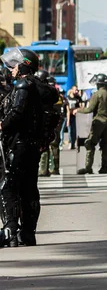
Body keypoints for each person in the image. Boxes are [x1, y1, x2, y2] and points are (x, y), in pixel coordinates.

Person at [0, 48, 58, 247]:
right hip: (32, 146)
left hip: (18, 144)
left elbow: (17, 113)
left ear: (23, 65)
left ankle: (11, 231)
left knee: (9, 187)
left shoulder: (24, 85)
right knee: (29, 189)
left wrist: (2, 124)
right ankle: (27, 233)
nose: (11, 69)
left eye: (14, 65)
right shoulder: (41, 88)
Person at [74, 73, 107, 174]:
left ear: (98, 84)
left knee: (90, 144)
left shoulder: (97, 94)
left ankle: (88, 167)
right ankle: (104, 168)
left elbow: (90, 109)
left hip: (98, 122)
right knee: (105, 146)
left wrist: (78, 110)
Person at [38, 75, 66, 177]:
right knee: (54, 147)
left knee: (44, 147)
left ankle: (43, 169)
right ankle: (55, 168)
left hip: (47, 123)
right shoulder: (58, 96)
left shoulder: (45, 94)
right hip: (56, 123)